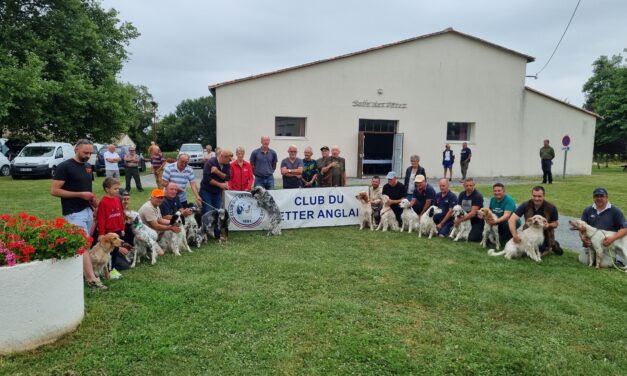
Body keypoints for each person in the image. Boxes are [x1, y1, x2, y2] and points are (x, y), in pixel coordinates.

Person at [51, 139, 105, 289]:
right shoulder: (64, 166)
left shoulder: (88, 167)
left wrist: (95, 205)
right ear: (76, 149)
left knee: (86, 243)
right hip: (73, 212)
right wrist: (80, 194)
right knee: (83, 245)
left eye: (90, 153)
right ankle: (92, 279)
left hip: (87, 211)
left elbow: (87, 189)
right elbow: (54, 190)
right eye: (85, 153)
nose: (88, 156)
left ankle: (81, 272)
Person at [578, 188, 627, 267]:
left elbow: (625, 229)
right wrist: (582, 238)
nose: (599, 198)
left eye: (601, 196)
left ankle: (613, 259)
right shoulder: (588, 210)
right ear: (593, 198)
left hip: (607, 247)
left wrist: (612, 239)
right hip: (591, 246)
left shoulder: (616, 211)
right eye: (596, 196)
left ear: (607, 197)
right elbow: (581, 228)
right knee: (584, 261)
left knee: (603, 265)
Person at [508, 186, 562, 257]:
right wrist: (515, 236)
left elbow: (556, 223)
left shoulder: (551, 207)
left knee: (539, 253)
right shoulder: (525, 205)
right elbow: (511, 220)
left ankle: (552, 244)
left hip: (544, 233)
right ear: (532, 195)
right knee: (526, 252)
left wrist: (548, 225)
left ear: (544, 196)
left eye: (539, 196)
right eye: (534, 196)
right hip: (529, 234)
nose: (536, 198)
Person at [94, 177, 130, 276]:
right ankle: (108, 271)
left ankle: (112, 269)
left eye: (118, 188)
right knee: (108, 252)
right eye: (115, 189)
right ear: (107, 189)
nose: (117, 190)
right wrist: (101, 233)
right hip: (108, 233)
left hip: (117, 231)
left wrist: (122, 228)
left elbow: (121, 215)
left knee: (116, 251)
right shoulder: (103, 202)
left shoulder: (117, 199)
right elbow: (101, 219)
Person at [200, 148, 232, 214]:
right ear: (223, 157)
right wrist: (220, 185)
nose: (229, 161)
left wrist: (217, 172)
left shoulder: (227, 164)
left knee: (218, 212)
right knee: (208, 212)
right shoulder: (210, 162)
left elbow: (228, 178)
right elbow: (207, 178)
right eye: (229, 159)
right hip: (206, 191)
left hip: (217, 192)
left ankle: (216, 224)